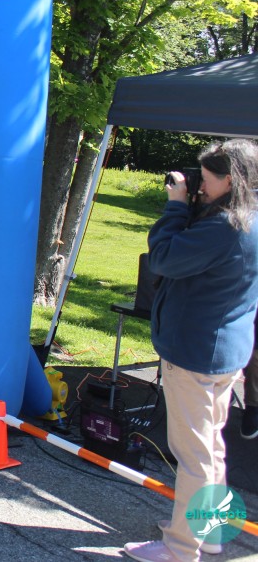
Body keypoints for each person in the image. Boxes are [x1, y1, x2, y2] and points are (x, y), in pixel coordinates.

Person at [124, 140, 258, 562]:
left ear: (231, 180)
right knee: (211, 446)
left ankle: (180, 548)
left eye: (209, 178)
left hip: (195, 354)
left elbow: (163, 258)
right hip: (224, 352)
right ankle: (210, 532)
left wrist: (176, 206)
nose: (201, 184)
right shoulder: (248, 219)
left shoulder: (223, 228)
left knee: (193, 455)